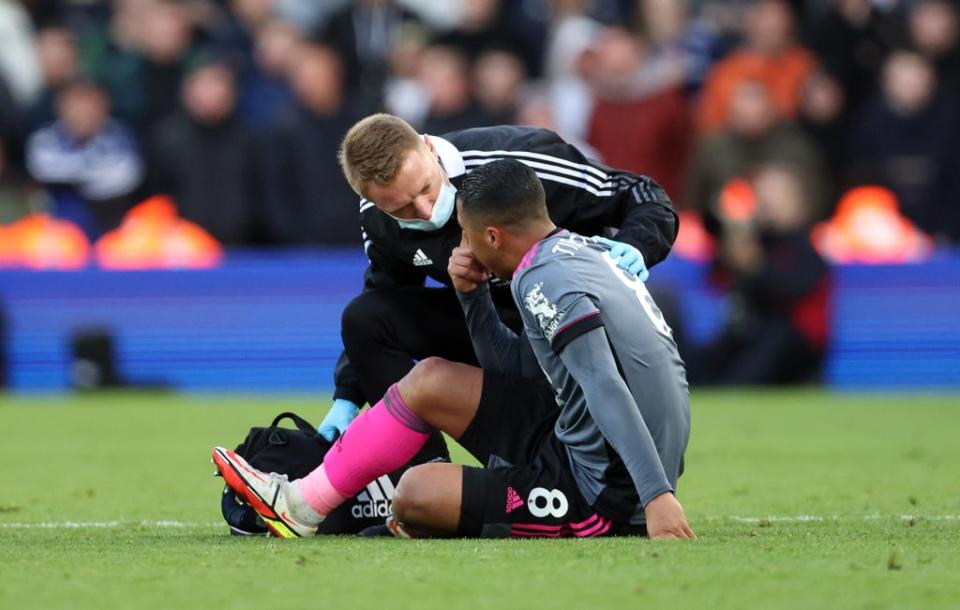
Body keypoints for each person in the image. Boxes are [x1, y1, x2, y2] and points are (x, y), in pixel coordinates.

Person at [214, 159, 694, 540]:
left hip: (608, 490)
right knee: (433, 378)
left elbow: (604, 385)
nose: (459, 245)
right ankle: (302, 503)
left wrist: (655, 496)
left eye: (464, 233)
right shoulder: (575, 253)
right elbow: (527, 368)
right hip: (582, 437)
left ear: (492, 236)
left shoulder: (543, 281)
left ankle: (338, 499)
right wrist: (471, 297)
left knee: (415, 494)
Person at [316, 113, 679, 448]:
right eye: (403, 209)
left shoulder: (520, 160)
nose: (425, 211)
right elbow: (386, 290)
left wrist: (634, 247)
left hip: (570, 322)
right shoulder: (378, 218)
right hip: (489, 328)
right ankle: (420, 481)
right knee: (366, 318)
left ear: (428, 146)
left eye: (426, 188)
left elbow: (640, 193)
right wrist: (348, 393)